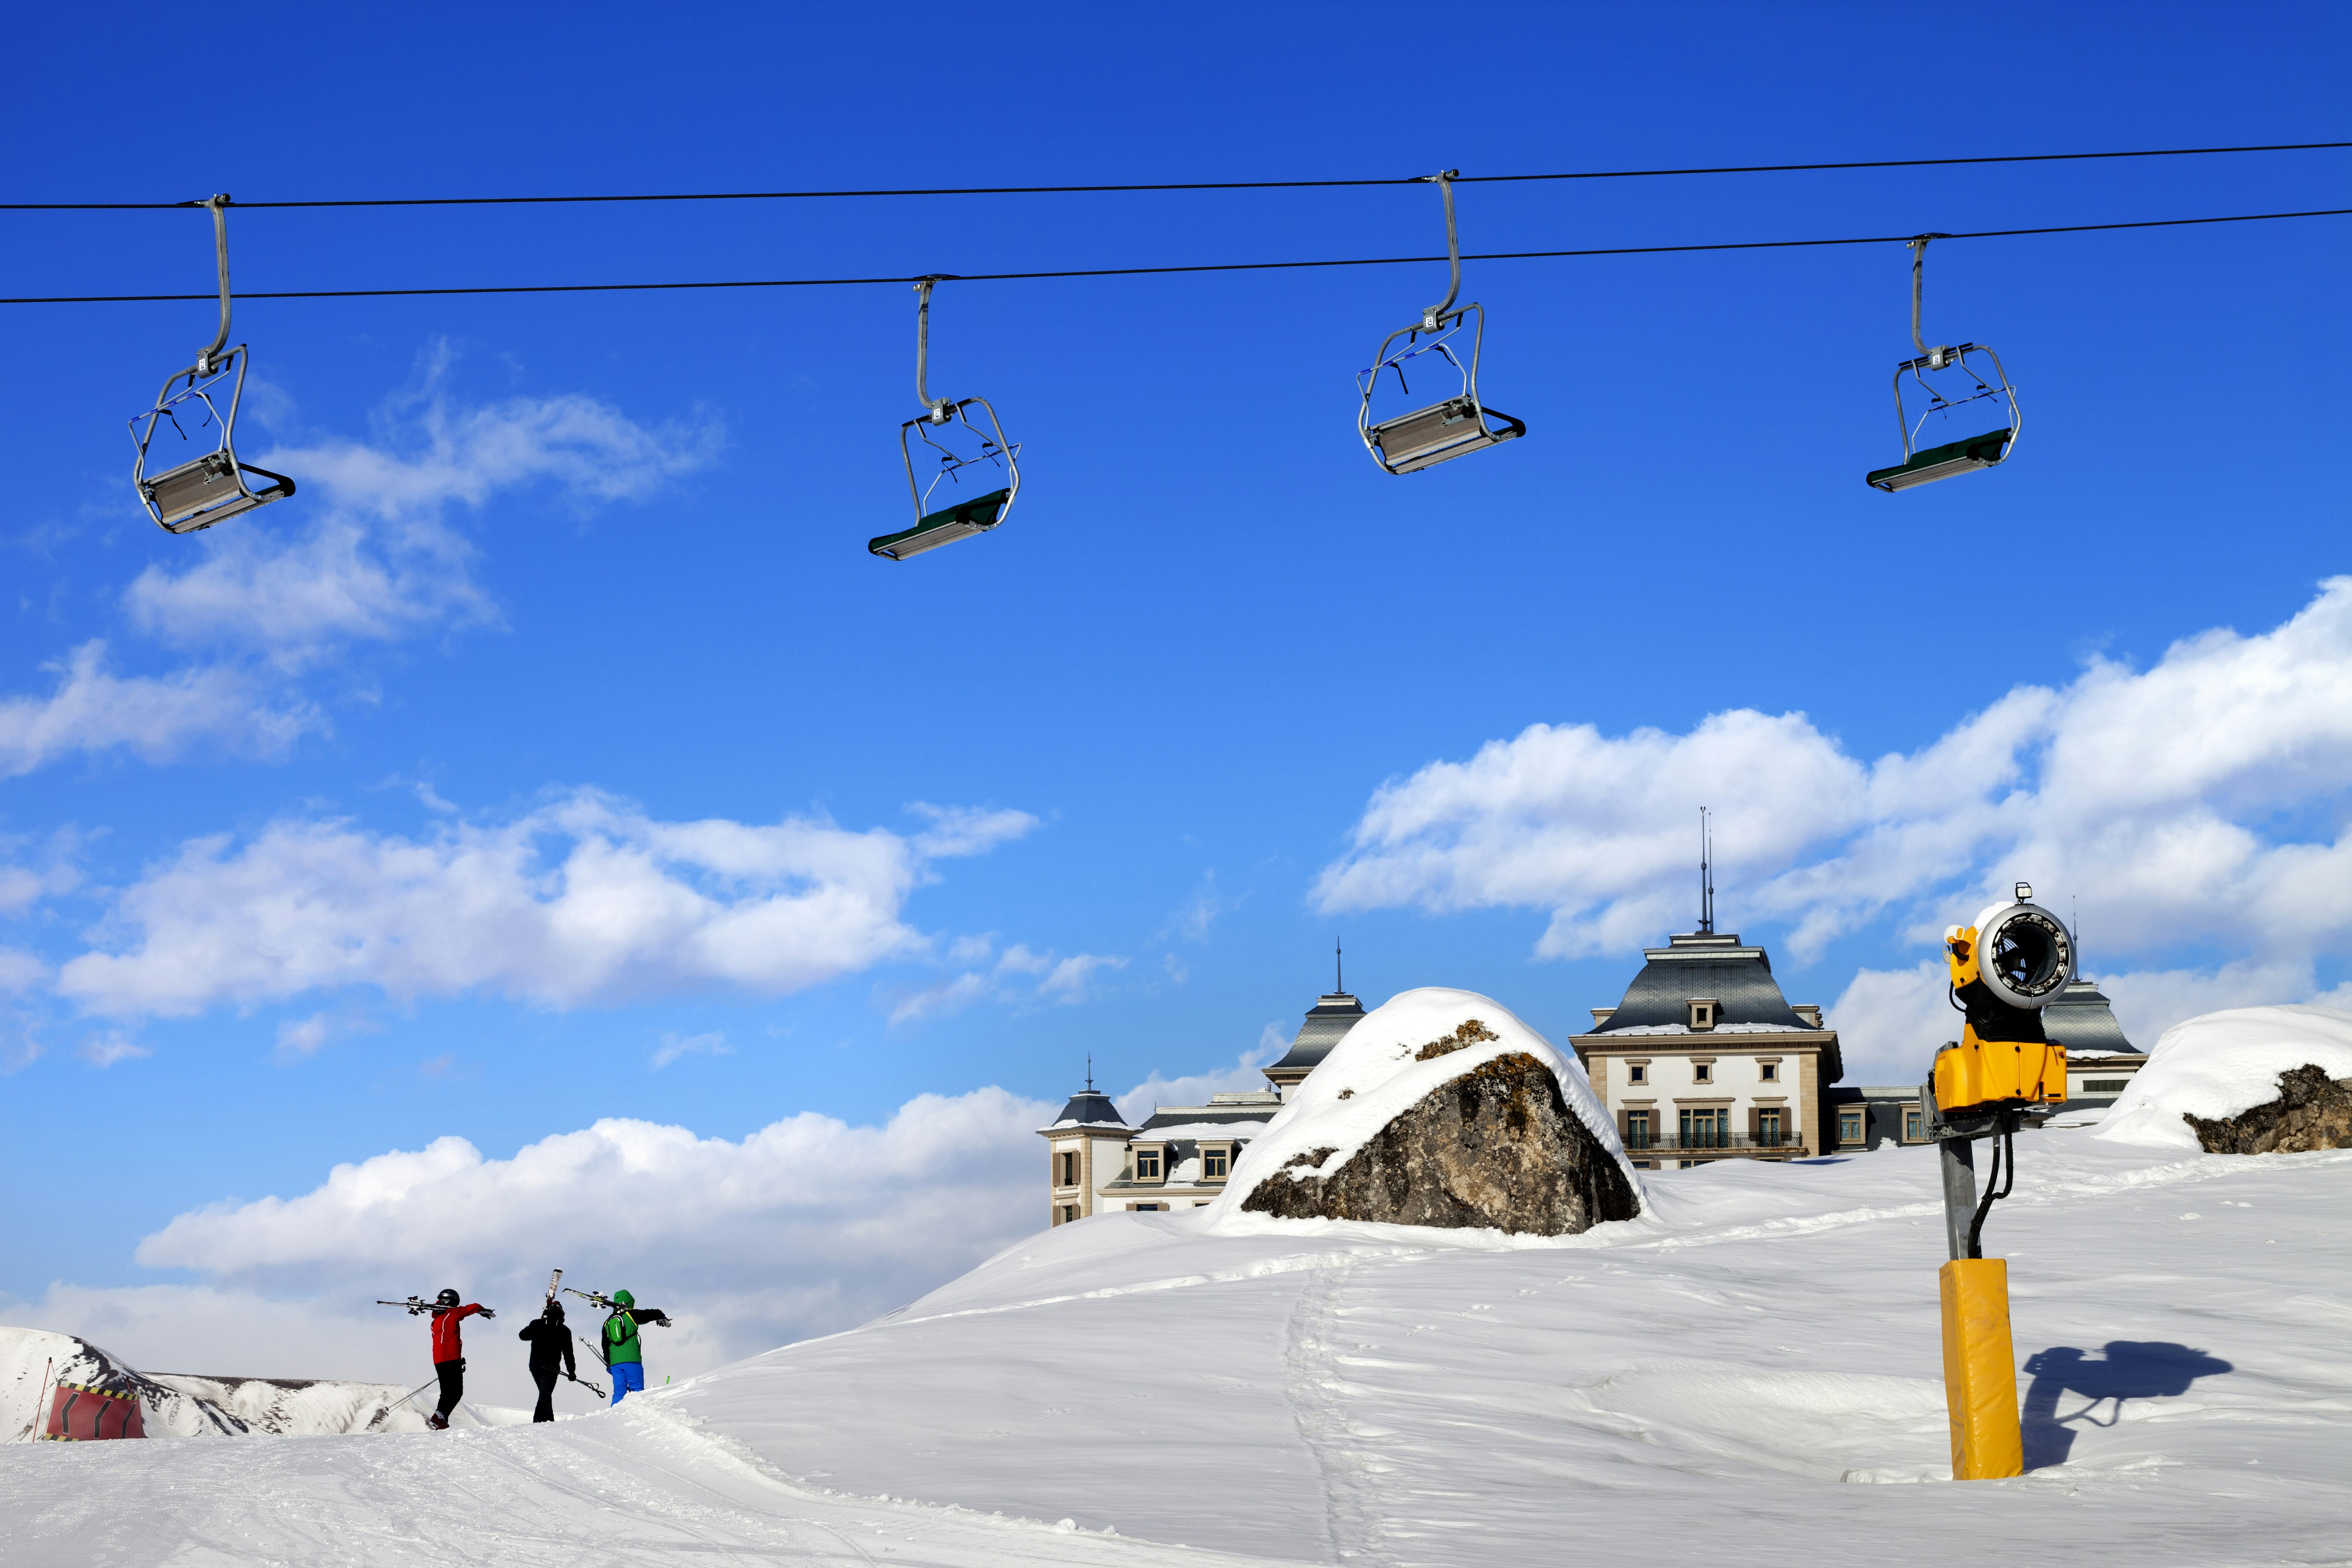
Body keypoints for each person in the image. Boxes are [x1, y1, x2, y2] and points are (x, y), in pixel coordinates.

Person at [426, 1287, 494, 1430]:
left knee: (447, 1391)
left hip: (439, 1360)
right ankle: (439, 1416)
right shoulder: (452, 1314)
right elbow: (473, 1307)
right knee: (456, 1392)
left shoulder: (437, 1319)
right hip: (451, 1358)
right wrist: (481, 1310)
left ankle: (440, 1420)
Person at [600, 1288, 671, 1405]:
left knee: (619, 1392)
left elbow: (605, 1346)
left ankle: (614, 1417)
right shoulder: (632, 1315)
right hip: (632, 1359)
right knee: (637, 1389)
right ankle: (639, 1414)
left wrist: (609, 1365)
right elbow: (654, 1313)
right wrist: (662, 1316)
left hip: (615, 1364)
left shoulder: (607, 1322)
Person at [518, 1299, 577, 1423]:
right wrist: (572, 1372)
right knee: (545, 1395)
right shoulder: (565, 1331)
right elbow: (568, 1354)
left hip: (535, 1366)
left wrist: (537, 1322)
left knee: (545, 1394)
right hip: (551, 1368)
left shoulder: (537, 1324)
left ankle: (550, 1421)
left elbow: (523, 1336)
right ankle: (539, 1423)